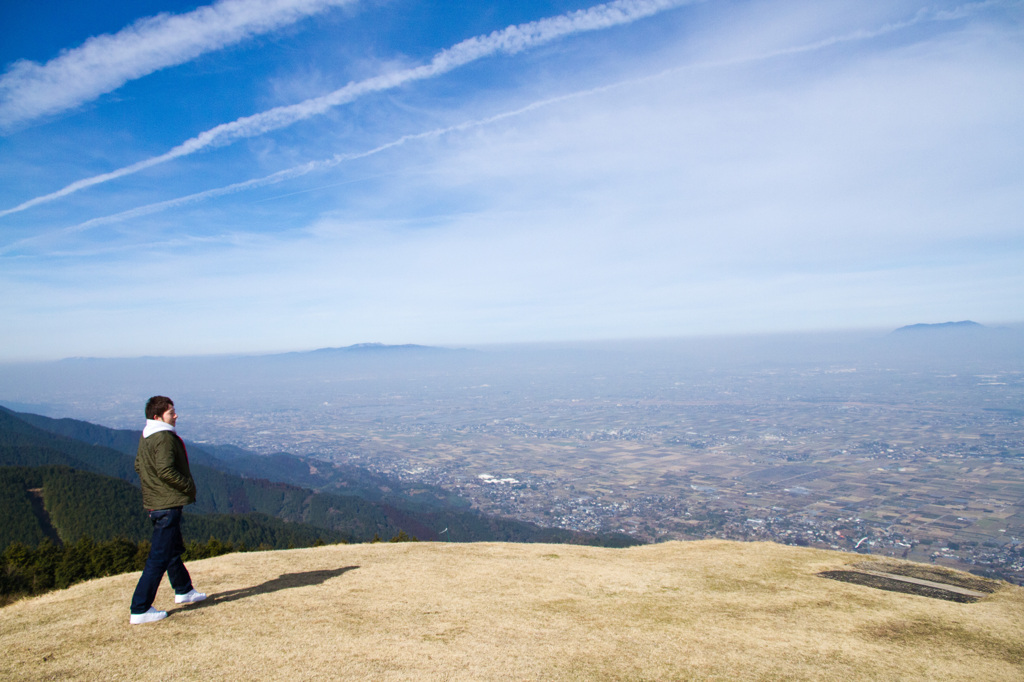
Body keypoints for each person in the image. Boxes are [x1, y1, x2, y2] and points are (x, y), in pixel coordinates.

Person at [129, 396, 207, 624]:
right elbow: (165, 470)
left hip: (156, 503)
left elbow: (138, 465)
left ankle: (184, 590)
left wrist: (154, 487)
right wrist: (187, 485)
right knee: (158, 557)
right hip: (166, 505)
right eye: (171, 412)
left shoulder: (147, 436)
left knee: (171, 550)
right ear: (157, 416)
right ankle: (140, 608)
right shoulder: (163, 438)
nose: (176, 415)